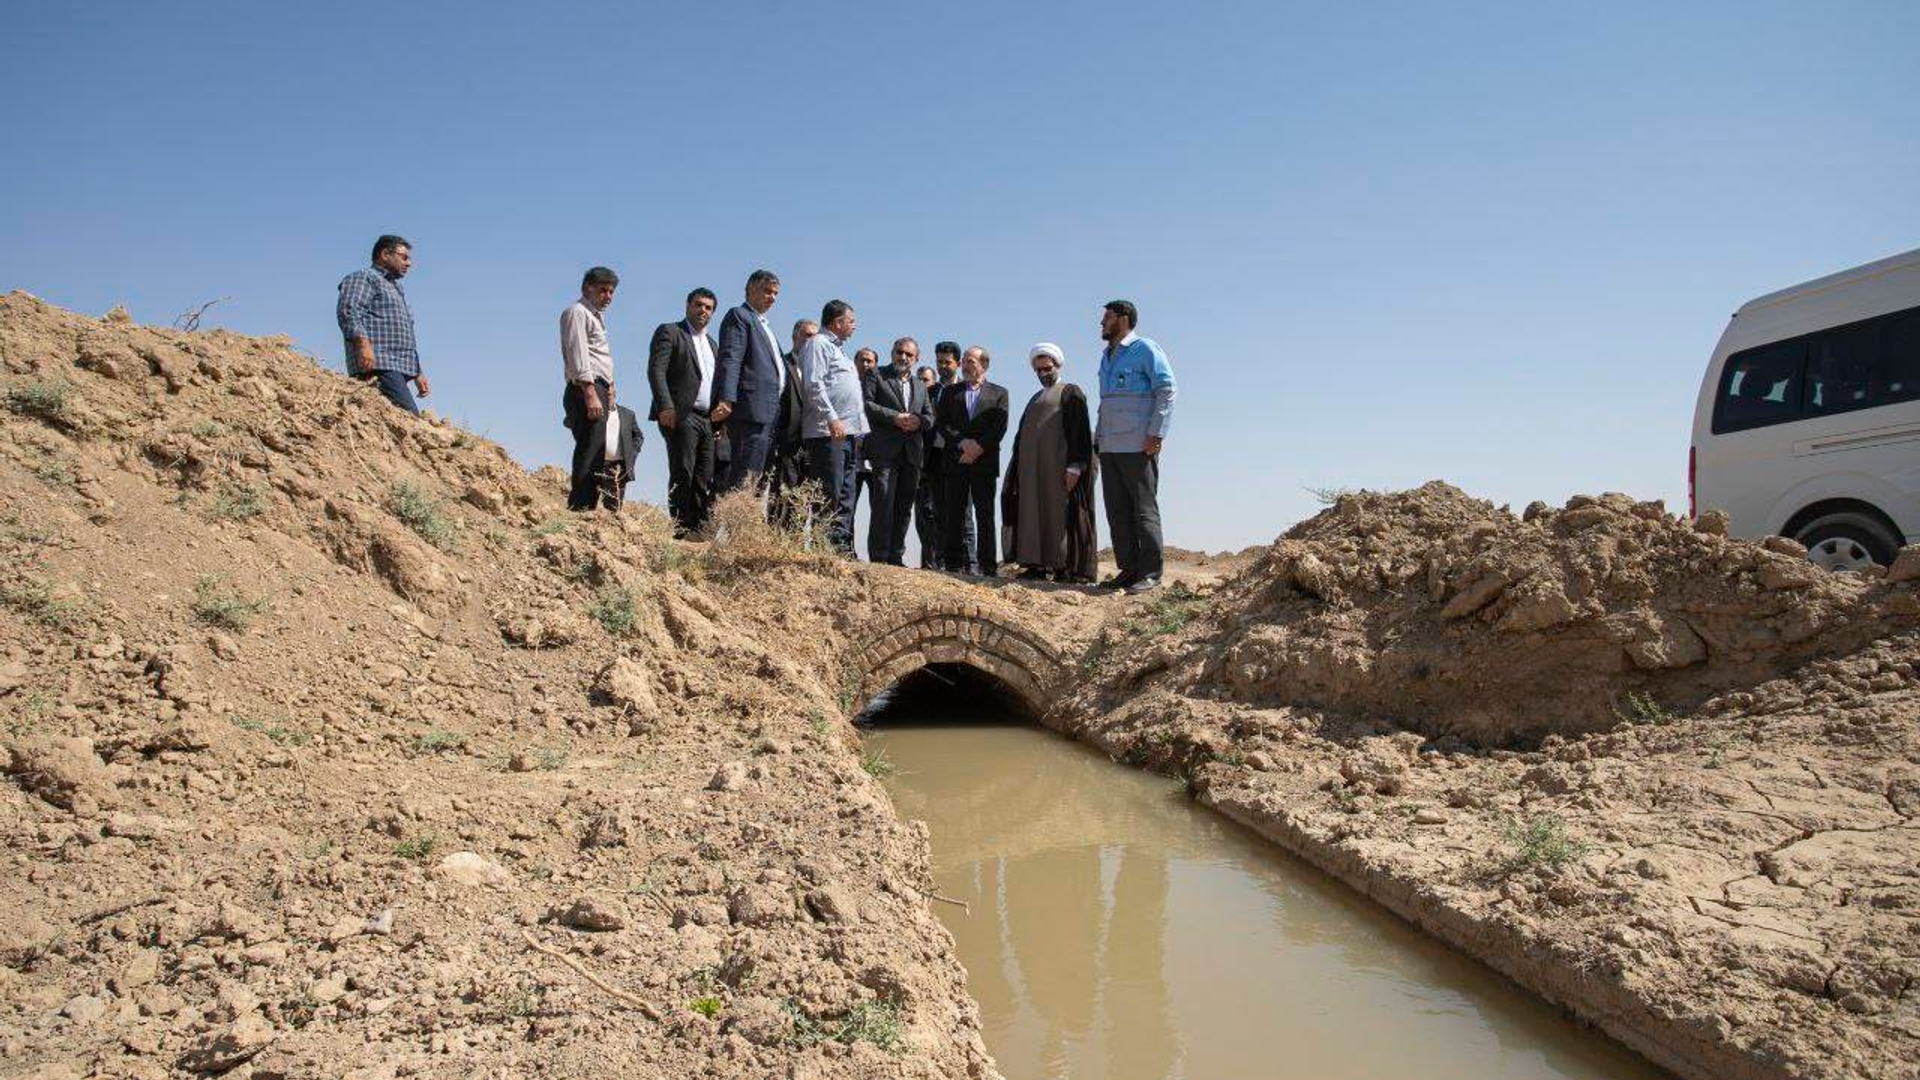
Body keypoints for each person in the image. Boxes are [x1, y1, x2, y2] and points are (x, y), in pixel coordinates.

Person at [1094, 299, 1176, 593]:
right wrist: (1098, 436)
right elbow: (1107, 403)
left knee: (1143, 510)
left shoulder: (1145, 349)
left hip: (1138, 444)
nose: (1102, 322)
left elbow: (1166, 390)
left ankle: (1151, 572)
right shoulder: (1107, 355)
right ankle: (1128, 569)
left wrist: (1157, 433)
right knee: (1117, 510)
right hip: (1110, 445)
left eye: (1107, 317)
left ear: (1124, 318)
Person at [1002, 343, 1098, 583]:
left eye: (1047, 368)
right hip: (1032, 473)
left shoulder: (1070, 391)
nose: (1043, 374)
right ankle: (1036, 564)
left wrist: (1075, 466)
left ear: (1057, 365)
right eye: (1038, 370)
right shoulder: (1035, 397)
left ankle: (1066, 567)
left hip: (1059, 470)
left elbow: (1079, 433)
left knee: (1060, 517)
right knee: (1032, 515)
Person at [647, 287, 722, 537]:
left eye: (708, 307)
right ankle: (681, 527)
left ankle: (698, 530)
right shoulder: (670, 332)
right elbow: (656, 370)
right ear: (688, 306)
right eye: (698, 305)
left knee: (704, 475)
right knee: (684, 470)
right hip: (681, 414)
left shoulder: (713, 345)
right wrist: (665, 406)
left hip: (708, 420)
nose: (703, 310)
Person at [797, 301, 869, 553]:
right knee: (829, 492)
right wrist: (832, 417)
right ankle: (822, 548)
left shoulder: (840, 351)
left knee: (846, 494)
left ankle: (839, 549)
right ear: (837, 322)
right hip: (827, 433)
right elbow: (813, 385)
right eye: (851, 321)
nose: (854, 326)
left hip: (849, 434)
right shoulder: (817, 344)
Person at [935, 346, 1009, 577]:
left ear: (983, 365)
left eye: (971, 361)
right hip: (956, 460)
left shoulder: (999, 393)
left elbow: (999, 426)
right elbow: (942, 423)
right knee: (954, 513)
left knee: (984, 515)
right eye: (965, 361)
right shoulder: (950, 392)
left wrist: (978, 447)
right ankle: (954, 564)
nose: (966, 365)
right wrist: (962, 443)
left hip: (984, 462)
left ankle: (988, 566)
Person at [713, 269, 788, 491]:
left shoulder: (765, 325)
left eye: (775, 293)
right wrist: (726, 398)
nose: (772, 297)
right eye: (767, 291)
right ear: (750, 289)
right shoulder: (739, 315)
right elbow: (731, 358)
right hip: (750, 410)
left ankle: (746, 523)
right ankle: (734, 523)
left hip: (769, 412)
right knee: (744, 474)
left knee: (757, 477)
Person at [336, 235, 429, 413]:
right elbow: (350, 311)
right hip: (378, 364)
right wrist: (363, 345)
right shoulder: (364, 278)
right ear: (385, 254)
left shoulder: (395, 289)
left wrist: (417, 372)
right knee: (408, 417)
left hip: (396, 367)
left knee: (400, 418)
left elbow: (405, 332)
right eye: (404, 257)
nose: (409, 263)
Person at [862, 338, 933, 566]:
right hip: (884, 452)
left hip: (912, 454)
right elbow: (867, 405)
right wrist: (895, 417)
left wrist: (918, 421)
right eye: (900, 352)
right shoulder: (876, 375)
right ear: (892, 352)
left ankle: (896, 556)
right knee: (883, 501)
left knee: (904, 507)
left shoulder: (921, 385)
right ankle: (879, 556)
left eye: (909, 355)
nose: (903, 357)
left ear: (916, 359)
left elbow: (930, 417)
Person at [560, 267, 623, 512]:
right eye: (603, 290)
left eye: (611, 292)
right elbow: (578, 355)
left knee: (598, 451)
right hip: (585, 389)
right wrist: (590, 392)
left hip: (599, 388)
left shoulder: (595, 316)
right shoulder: (577, 312)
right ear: (587, 288)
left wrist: (610, 386)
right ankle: (579, 508)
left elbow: (600, 357)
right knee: (589, 449)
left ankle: (587, 508)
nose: (608, 296)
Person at [921, 341, 975, 569]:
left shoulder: (968, 390)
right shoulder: (929, 392)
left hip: (960, 457)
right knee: (938, 512)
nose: (943, 366)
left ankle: (970, 564)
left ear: (958, 363)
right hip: (934, 457)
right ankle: (943, 562)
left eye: (947, 362)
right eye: (939, 362)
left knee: (964, 513)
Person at [765, 319, 815, 525]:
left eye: (815, 336)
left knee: (804, 499)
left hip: (812, 444)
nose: (811, 340)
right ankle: (775, 544)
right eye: (807, 335)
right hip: (787, 442)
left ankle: (794, 546)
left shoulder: (819, 371)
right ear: (795, 337)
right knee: (783, 494)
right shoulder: (782, 365)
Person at [850, 347, 880, 526]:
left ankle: (877, 552)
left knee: (878, 507)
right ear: (855, 363)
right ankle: (846, 550)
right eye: (862, 360)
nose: (866, 364)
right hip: (852, 455)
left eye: (870, 361)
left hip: (874, 458)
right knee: (848, 505)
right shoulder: (848, 384)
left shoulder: (881, 388)